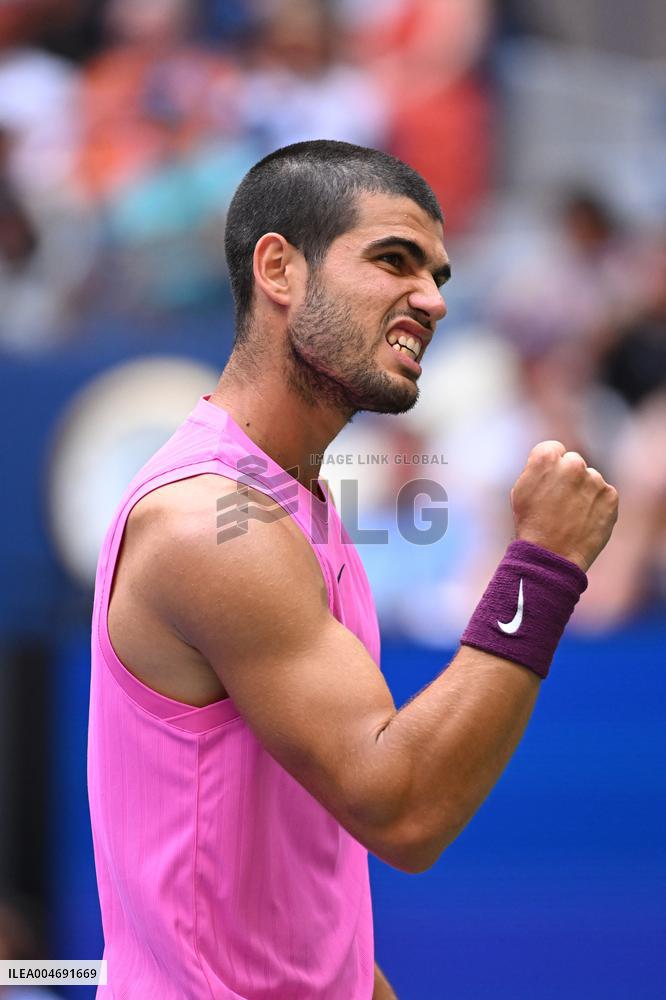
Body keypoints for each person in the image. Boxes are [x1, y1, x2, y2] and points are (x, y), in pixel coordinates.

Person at [87, 140, 619, 999]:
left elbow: (290, 861)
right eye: (394, 260)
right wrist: (544, 566)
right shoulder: (211, 522)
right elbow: (402, 809)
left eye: (438, 275)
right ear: (279, 269)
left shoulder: (291, 502)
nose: (433, 300)